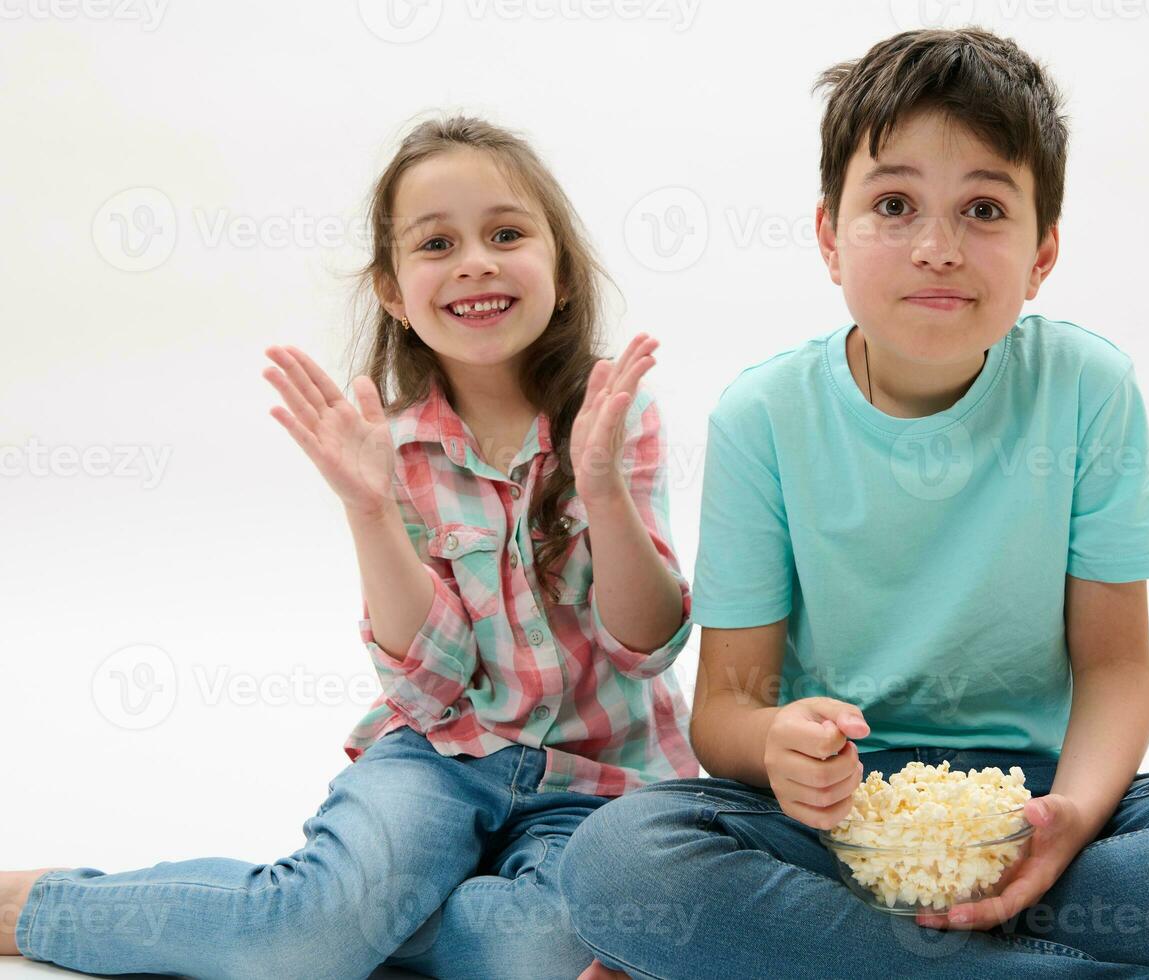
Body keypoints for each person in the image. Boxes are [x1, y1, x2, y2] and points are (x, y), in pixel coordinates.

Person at [557, 28, 1149, 980]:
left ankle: (841, 955)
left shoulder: (1087, 388)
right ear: (828, 235)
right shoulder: (764, 415)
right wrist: (777, 745)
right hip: (830, 819)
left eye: (983, 209)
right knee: (619, 861)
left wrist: (1067, 823)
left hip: (1031, 807)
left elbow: (1114, 668)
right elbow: (727, 709)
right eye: (894, 205)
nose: (937, 248)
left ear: (1041, 253)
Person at [2, 115, 698, 980]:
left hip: (601, 776)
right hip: (442, 756)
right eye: (437, 243)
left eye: (507, 234)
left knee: (546, 953)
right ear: (395, 293)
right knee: (300, 942)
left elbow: (647, 642)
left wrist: (600, 491)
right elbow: (430, 681)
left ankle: (348, 912)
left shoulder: (614, 416)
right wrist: (367, 510)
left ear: (560, 273)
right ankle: (53, 906)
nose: (476, 260)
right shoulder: (391, 447)